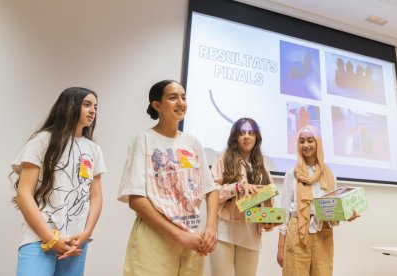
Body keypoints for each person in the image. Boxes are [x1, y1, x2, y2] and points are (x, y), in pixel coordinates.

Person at [117, 80, 219, 276]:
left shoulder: (193, 142)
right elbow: (136, 199)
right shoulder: (144, 140)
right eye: (173, 97)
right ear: (157, 105)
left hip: (192, 238)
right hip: (155, 237)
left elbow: (211, 189)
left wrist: (211, 229)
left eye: (183, 97)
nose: (181, 102)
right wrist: (178, 235)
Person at [12, 87, 106, 276]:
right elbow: (24, 194)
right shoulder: (42, 141)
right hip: (39, 238)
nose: (93, 111)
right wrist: (50, 238)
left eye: (95, 106)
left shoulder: (93, 149)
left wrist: (85, 235)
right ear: (69, 106)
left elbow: (96, 197)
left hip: (75, 242)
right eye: (86, 105)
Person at [277, 125, 359, 276]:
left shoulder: (329, 175)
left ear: (318, 143)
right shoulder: (291, 174)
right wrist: (280, 246)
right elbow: (284, 212)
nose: (306, 145)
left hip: (323, 231)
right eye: (302, 142)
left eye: (310, 141)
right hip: (296, 231)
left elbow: (334, 208)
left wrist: (347, 214)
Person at [209, 117, 278, 276]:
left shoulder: (262, 165)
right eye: (241, 133)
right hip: (224, 231)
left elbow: (269, 198)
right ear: (235, 137)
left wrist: (269, 221)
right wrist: (238, 187)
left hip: (250, 234)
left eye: (251, 133)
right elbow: (213, 192)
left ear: (256, 138)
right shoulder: (223, 157)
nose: (246, 136)